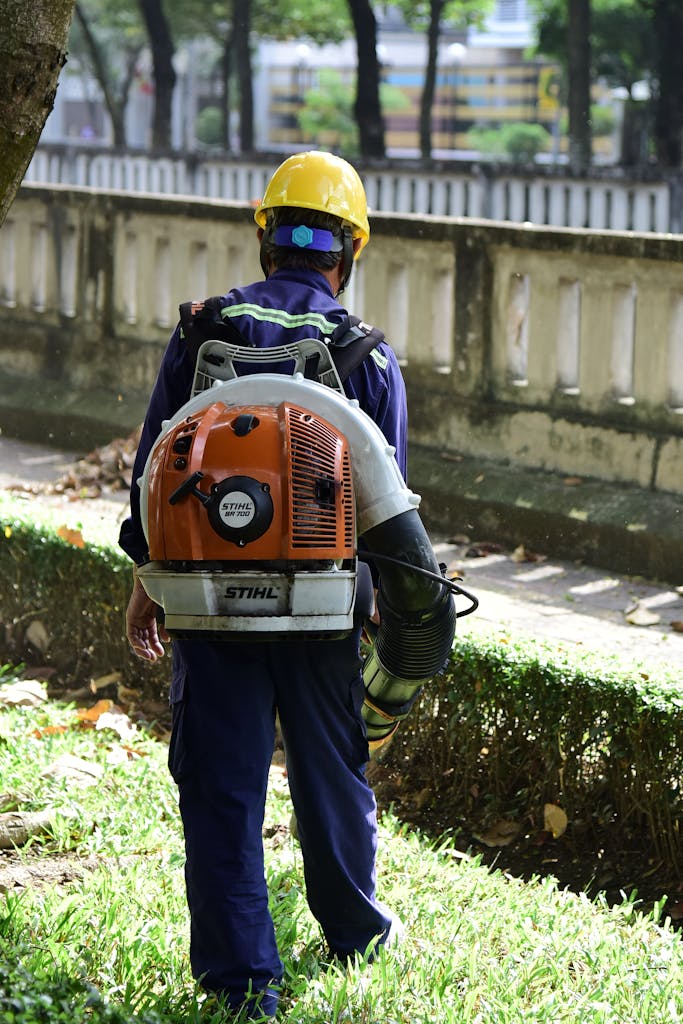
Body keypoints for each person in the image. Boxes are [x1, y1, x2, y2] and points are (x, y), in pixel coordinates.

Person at [118, 151, 408, 1020]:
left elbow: (152, 468)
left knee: (220, 784)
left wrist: (147, 575)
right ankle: (356, 934)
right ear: (347, 249)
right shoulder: (366, 354)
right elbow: (388, 502)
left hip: (207, 603)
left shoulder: (199, 331)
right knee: (331, 774)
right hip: (324, 609)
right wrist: (388, 605)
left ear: (266, 237)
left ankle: (242, 983)